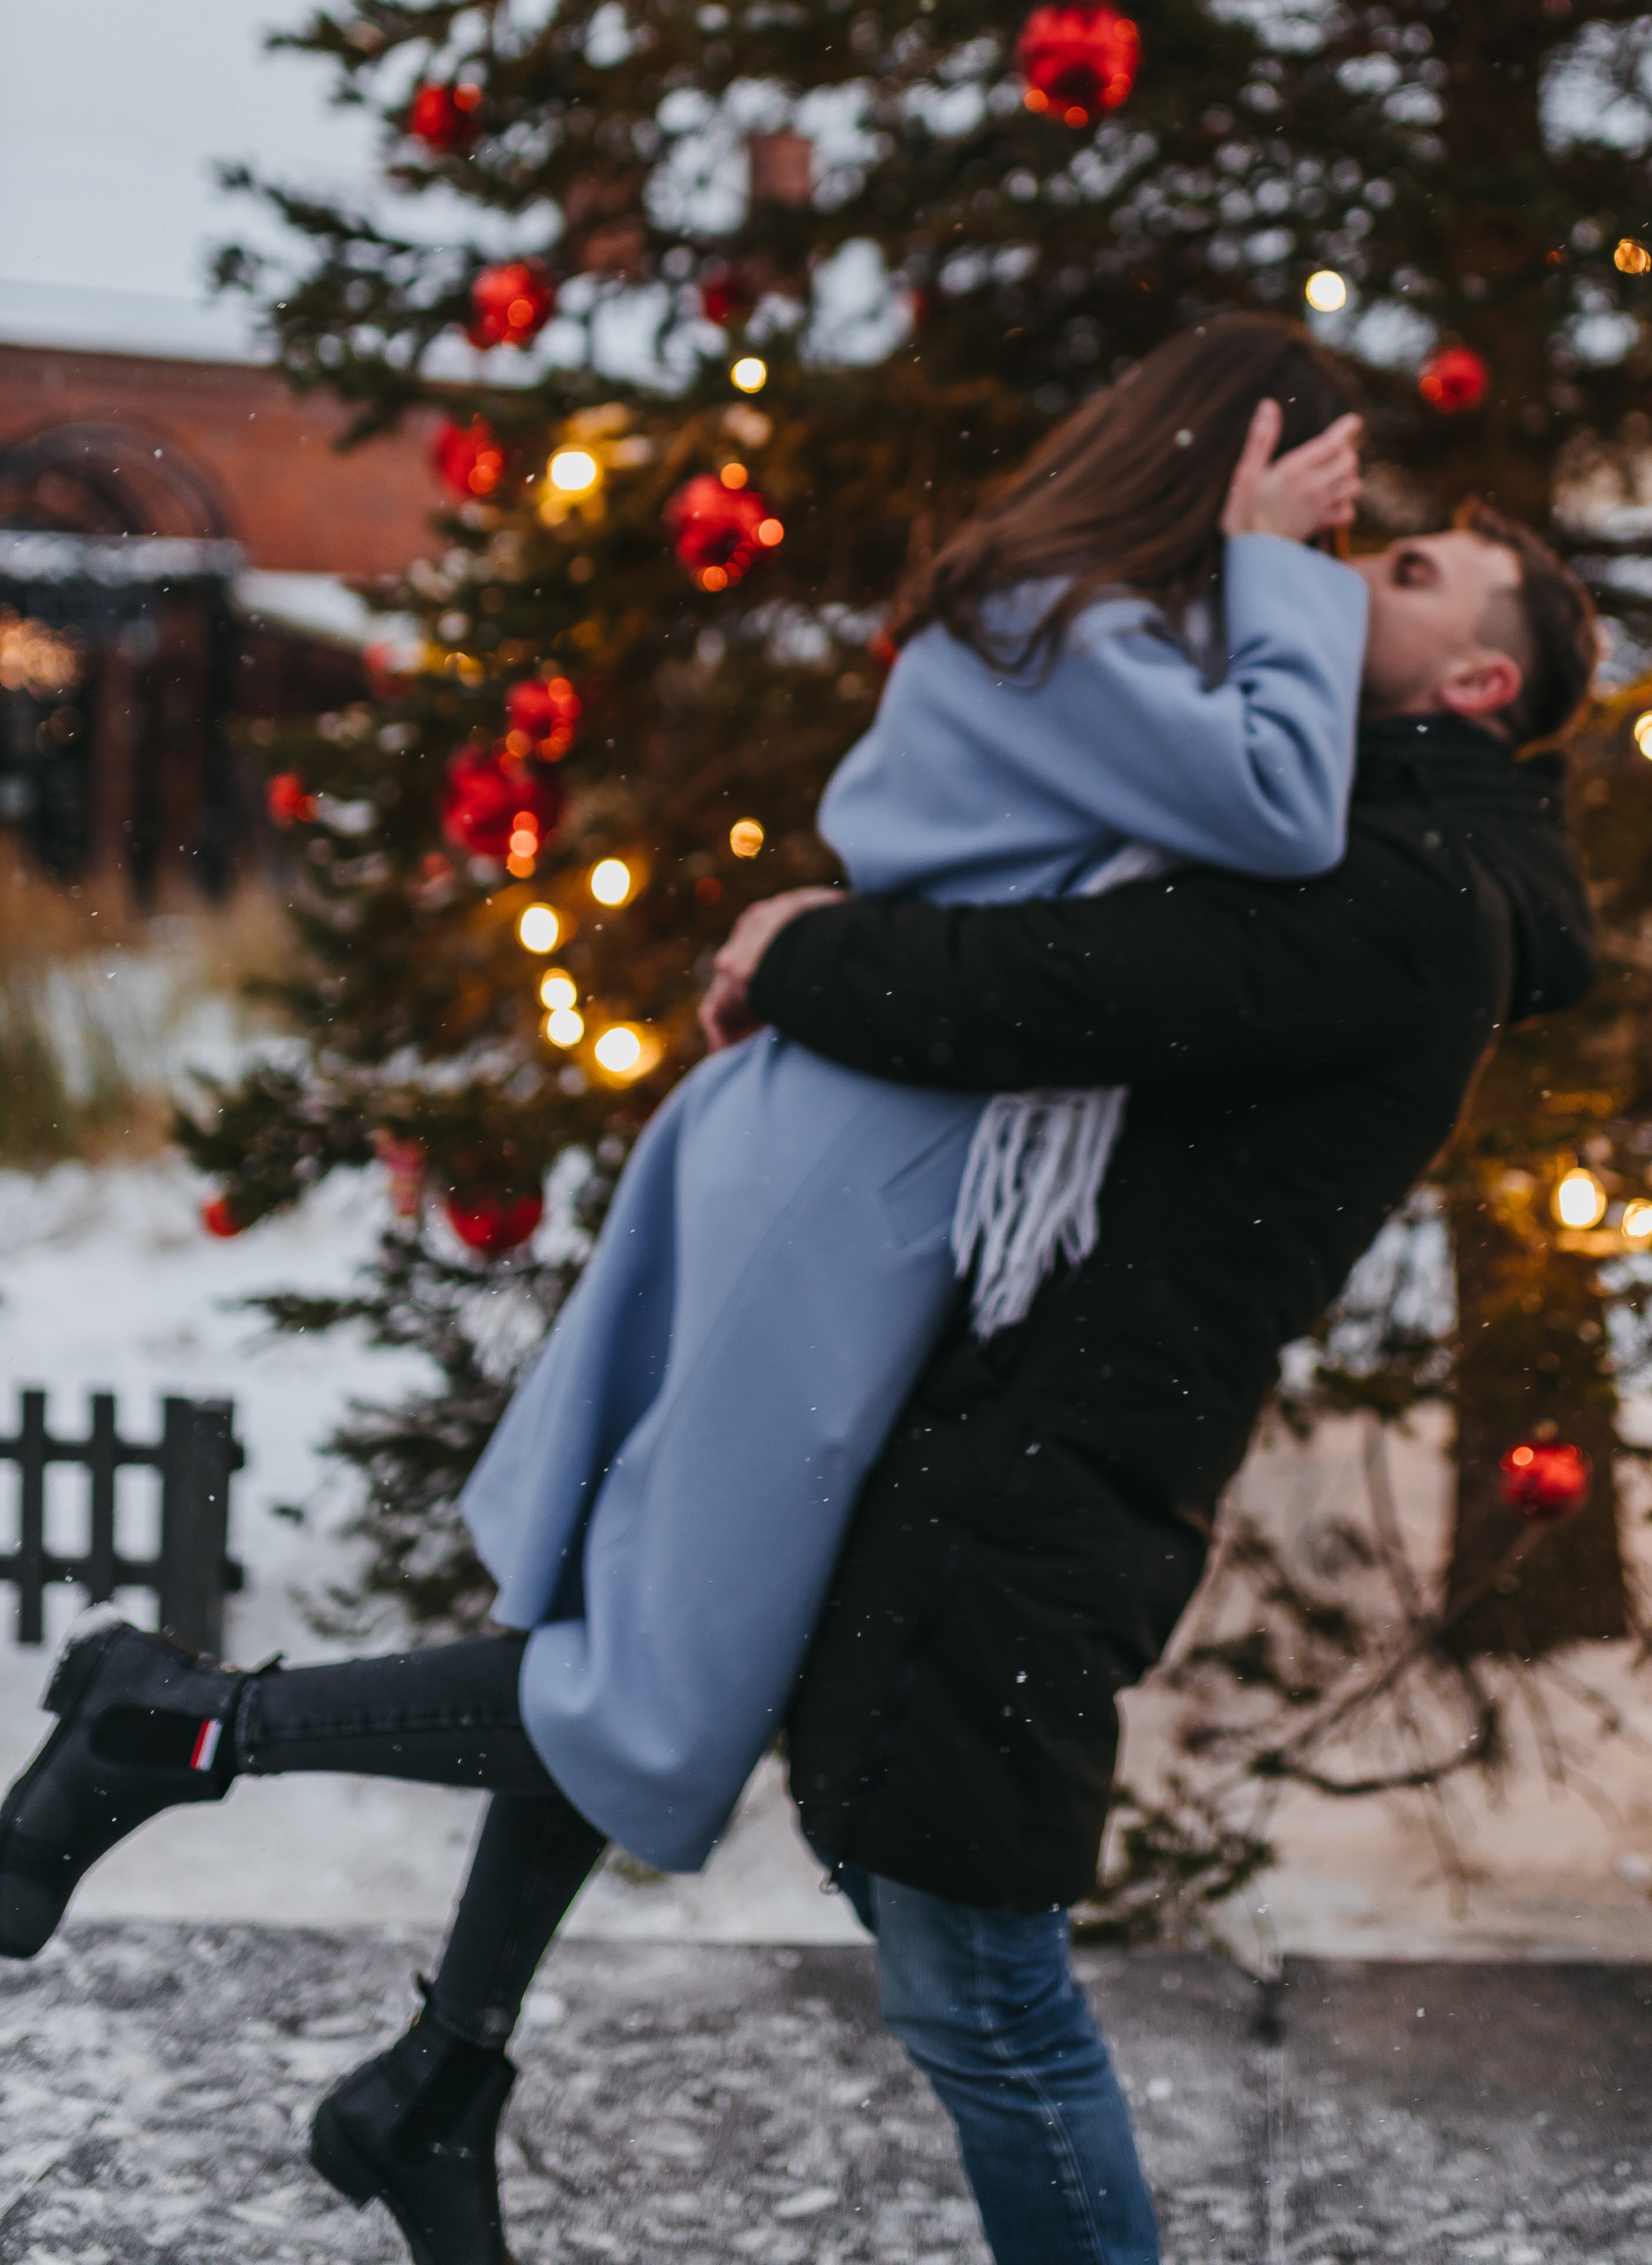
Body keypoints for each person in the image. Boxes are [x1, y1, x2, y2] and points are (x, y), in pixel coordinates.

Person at [0, 315, 1369, 2265]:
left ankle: (439, 2073)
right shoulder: (1067, 629)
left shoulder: (1093, 632)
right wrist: (1277, 570)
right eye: (1322, 488)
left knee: (634, 1641)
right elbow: (1285, 812)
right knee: (656, 1681)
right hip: (840, 1187)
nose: (1333, 535)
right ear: (1230, 458)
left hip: (856, 1159)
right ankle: (178, 1726)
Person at [699, 502, 1600, 2265]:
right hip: (1040, 1441)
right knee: (950, 1954)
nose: (1361, 572)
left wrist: (804, 951)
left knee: (986, 1999)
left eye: (1412, 575)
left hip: (1051, 1470)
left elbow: (1057, 989)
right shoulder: (1368, 845)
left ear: (1481, 684)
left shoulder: (1410, 893)